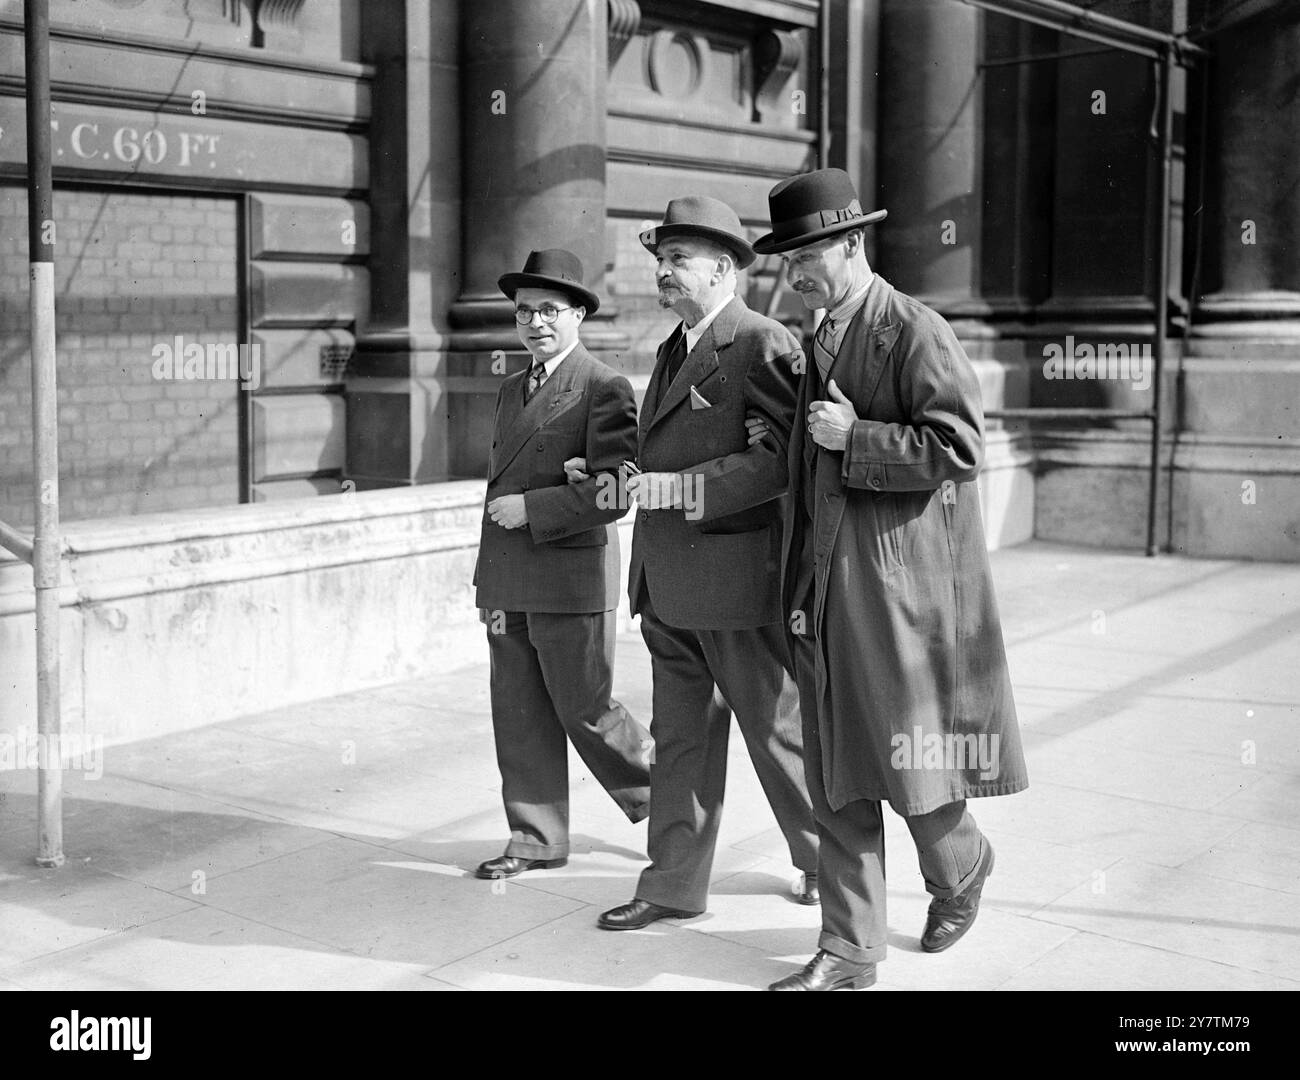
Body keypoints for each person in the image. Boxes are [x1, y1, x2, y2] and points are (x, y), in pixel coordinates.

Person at [753, 169, 1029, 990]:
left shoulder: (915, 329)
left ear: (851, 243)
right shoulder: (814, 336)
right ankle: (849, 949)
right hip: (821, 584)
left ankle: (961, 866)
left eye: (810, 253)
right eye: (787, 257)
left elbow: (959, 449)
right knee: (832, 765)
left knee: (908, 759)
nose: (797, 272)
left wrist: (857, 436)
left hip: (894, 591)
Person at [595, 196, 820, 931]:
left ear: (723, 268)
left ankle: (826, 862)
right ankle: (671, 887)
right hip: (666, 583)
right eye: (659, 260)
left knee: (776, 735)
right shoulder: (674, 347)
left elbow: (784, 461)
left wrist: (683, 489)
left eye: (677, 261)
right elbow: (665, 447)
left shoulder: (763, 342)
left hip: (736, 586)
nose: (662, 272)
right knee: (682, 741)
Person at [472, 248, 652, 882]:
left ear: (578, 313)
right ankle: (534, 837)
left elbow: (616, 489)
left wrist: (534, 508)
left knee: (587, 709)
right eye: (525, 311)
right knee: (518, 709)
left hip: (571, 574)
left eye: (550, 309)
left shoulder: (604, 386)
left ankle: (666, 794)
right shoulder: (509, 388)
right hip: (506, 575)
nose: (536, 322)